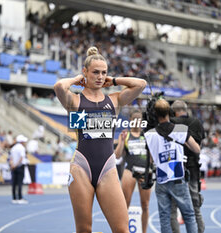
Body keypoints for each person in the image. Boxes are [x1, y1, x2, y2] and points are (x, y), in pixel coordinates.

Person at [54, 46, 146, 233]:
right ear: (85, 72)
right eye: (95, 72)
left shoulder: (114, 100)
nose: (100, 76)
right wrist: (76, 80)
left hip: (107, 167)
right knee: (84, 229)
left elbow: (141, 84)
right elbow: (59, 87)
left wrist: (114, 80)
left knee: (122, 229)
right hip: (81, 167)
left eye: (104, 73)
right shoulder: (75, 101)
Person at [144, 99, 200, 233]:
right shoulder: (180, 130)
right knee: (189, 215)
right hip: (178, 179)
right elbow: (197, 149)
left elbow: (151, 160)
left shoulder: (150, 134)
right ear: (169, 112)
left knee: (164, 217)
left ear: (155, 114)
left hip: (161, 180)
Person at [170, 100, 205, 233]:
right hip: (193, 168)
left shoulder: (172, 122)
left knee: (172, 208)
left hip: (175, 168)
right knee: (195, 208)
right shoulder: (196, 122)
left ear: (174, 112)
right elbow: (199, 144)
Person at [114, 109, 151, 233]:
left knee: (145, 205)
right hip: (129, 170)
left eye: (139, 119)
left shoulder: (147, 135)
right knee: (125, 205)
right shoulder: (126, 135)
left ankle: (144, 231)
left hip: (144, 171)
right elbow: (118, 155)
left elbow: (152, 157)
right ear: (130, 120)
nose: (137, 122)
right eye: (134, 119)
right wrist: (120, 141)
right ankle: (123, 230)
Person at [9, 134, 29, 204]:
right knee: (19, 183)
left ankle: (14, 198)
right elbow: (21, 158)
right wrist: (16, 165)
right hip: (20, 166)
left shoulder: (13, 148)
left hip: (14, 166)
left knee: (14, 183)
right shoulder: (21, 148)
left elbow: (10, 158)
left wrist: (12, 165)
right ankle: (20, 198)